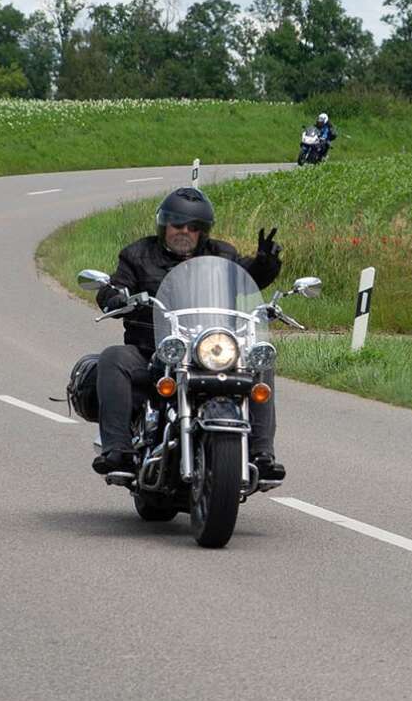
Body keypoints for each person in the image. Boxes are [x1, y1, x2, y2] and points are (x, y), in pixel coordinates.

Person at [92, 186, 285, 481]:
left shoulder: (222, 254)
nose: (184, 231)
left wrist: (264, 264)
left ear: (202, 232)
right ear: (164, 225)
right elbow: (118, 285)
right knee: (112, 358)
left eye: (193, 227)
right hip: (154, 349)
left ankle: (261, 452)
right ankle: (117, 450)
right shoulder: (137, 255)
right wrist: (112, 295)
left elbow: (245, 279)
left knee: (261, 362)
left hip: (213, 349)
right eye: (177, 225)